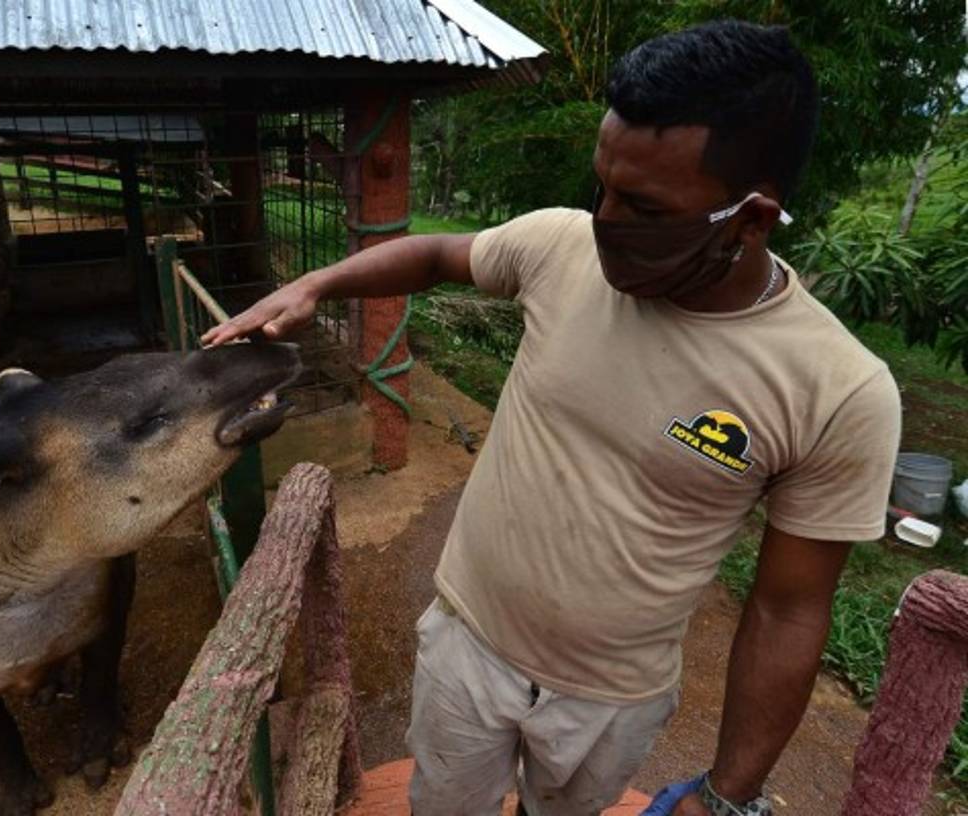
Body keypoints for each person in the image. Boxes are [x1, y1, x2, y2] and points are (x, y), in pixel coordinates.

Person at [202, 19, 901, 816]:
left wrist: (728, 794)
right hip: (469, 645)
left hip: (611, 701)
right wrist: (318, 284)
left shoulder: (839, 391)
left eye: (641, 205)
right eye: (600, 185)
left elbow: (788, 607)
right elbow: (435, 257)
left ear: (750, 220)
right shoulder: (559, 248)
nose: (605, 217)